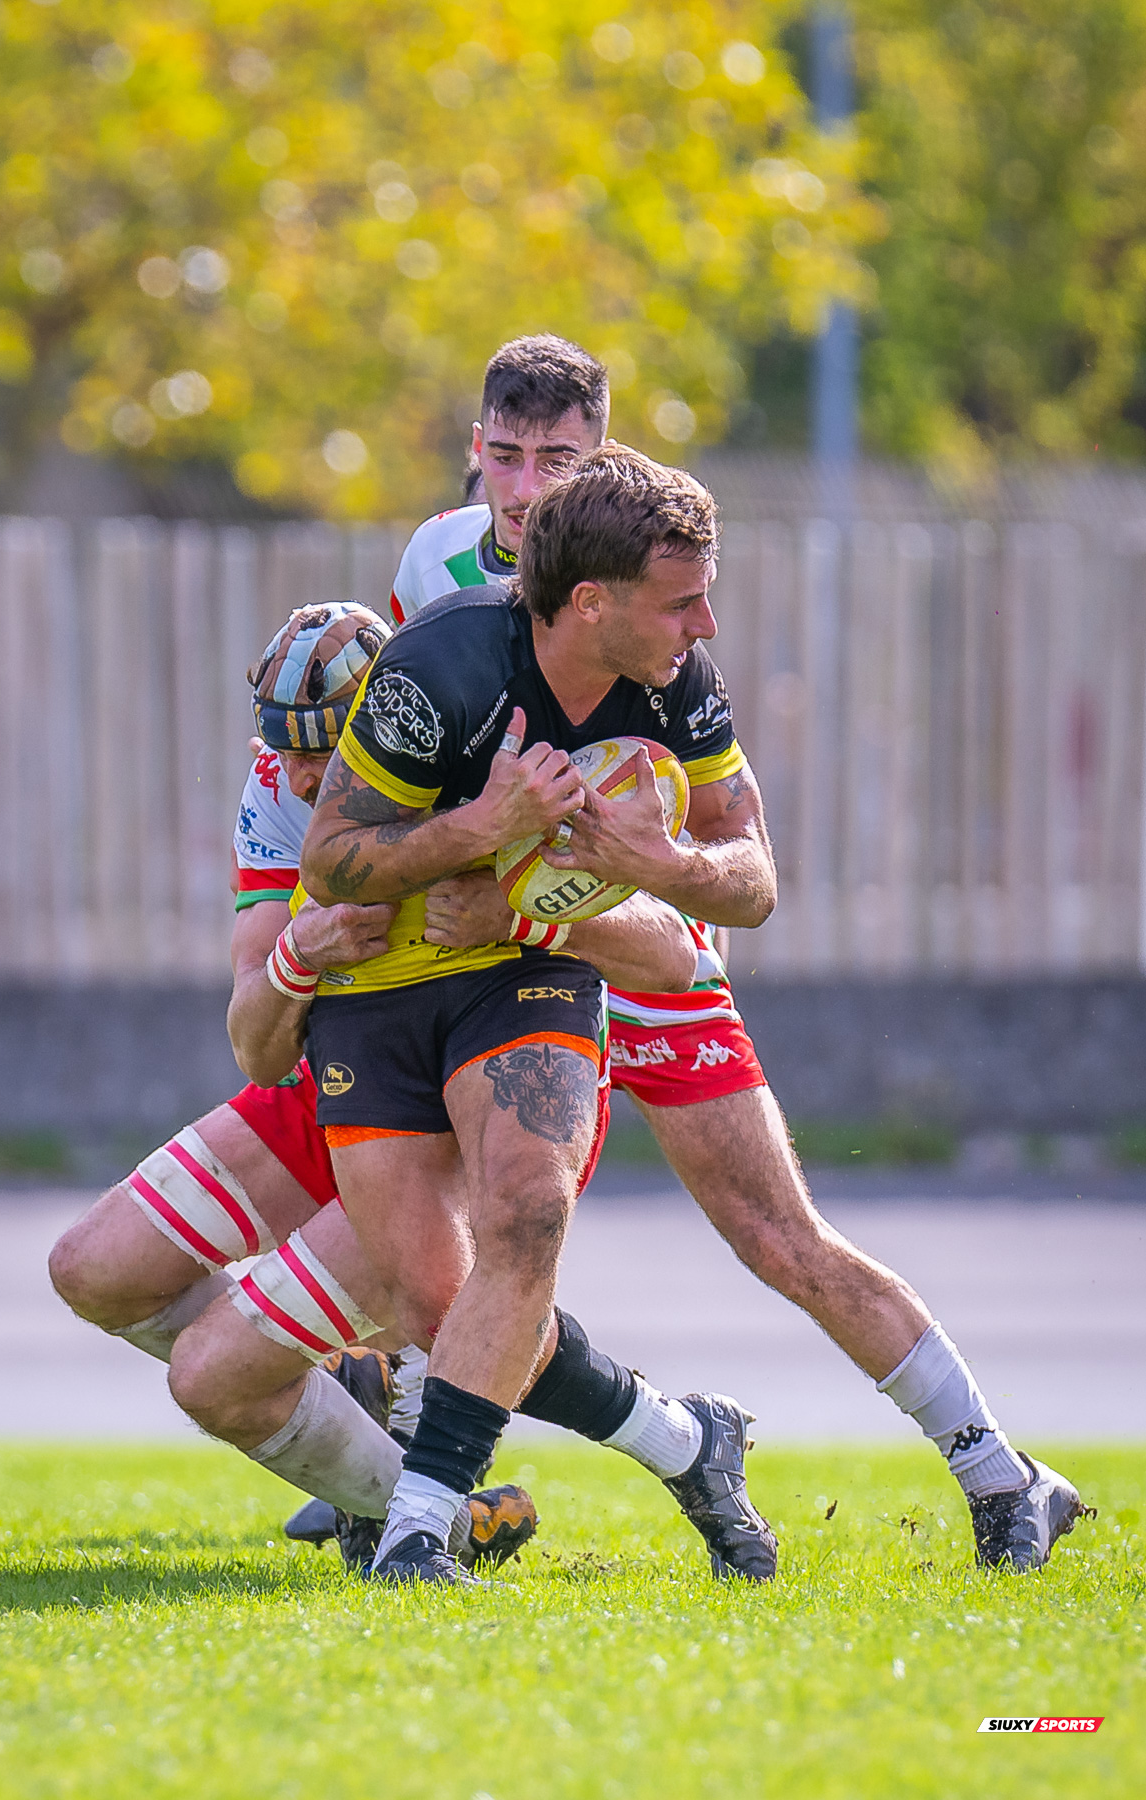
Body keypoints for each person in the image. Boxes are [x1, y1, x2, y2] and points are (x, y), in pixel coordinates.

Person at [383, 345, 1089, 1575]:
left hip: (635, 952)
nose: (523, 483)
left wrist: (632, 868)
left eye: (557, 459)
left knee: (777, 1238)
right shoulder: (433, 576)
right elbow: (415, 783)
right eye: (506, 453)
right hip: (510, 965)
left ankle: (997, 1471)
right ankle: (406, 1493)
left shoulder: (662, 624)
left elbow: (748, 869)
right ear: (473, 449)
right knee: (456, 1232)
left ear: (598, 463)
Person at [53, 602, 776, 1585]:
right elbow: (255, 1048)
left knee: (288, 1350)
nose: (306, 775)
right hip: (340, 1075)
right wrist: (296, 961)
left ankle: (503, 1487)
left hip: (471, 1089)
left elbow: (677, 955)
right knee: (91, 1269)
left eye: (327, 747)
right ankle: (428, 1487)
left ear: (395, 726)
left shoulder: (484, 755)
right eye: (284, 747)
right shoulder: (280, 792)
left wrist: (526, 912)